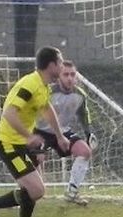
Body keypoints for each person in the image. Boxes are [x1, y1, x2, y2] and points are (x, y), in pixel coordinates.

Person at [0, 46, 68, 217]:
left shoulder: (43, 85)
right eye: (60, 62)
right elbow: (8, 113)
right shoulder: (29, 85)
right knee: (37, 190)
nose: (62, 65)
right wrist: (28, 136)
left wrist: (59, 135)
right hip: (8, 144)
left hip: (20, 143)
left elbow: (46, 108)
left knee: (33, 189)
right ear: (51, 65)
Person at [32, 60, 94, 206]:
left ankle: (72, 192)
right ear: (59, 76)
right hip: (40, 131)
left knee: (85, 151)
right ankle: (28, 193)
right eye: (66, 74)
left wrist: (89, 133)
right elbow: (31, 111)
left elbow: (84, 115)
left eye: (73, 74)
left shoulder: (80, 95)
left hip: (63, 131)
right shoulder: (48, 91)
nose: (70, 78)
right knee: (37, 159)